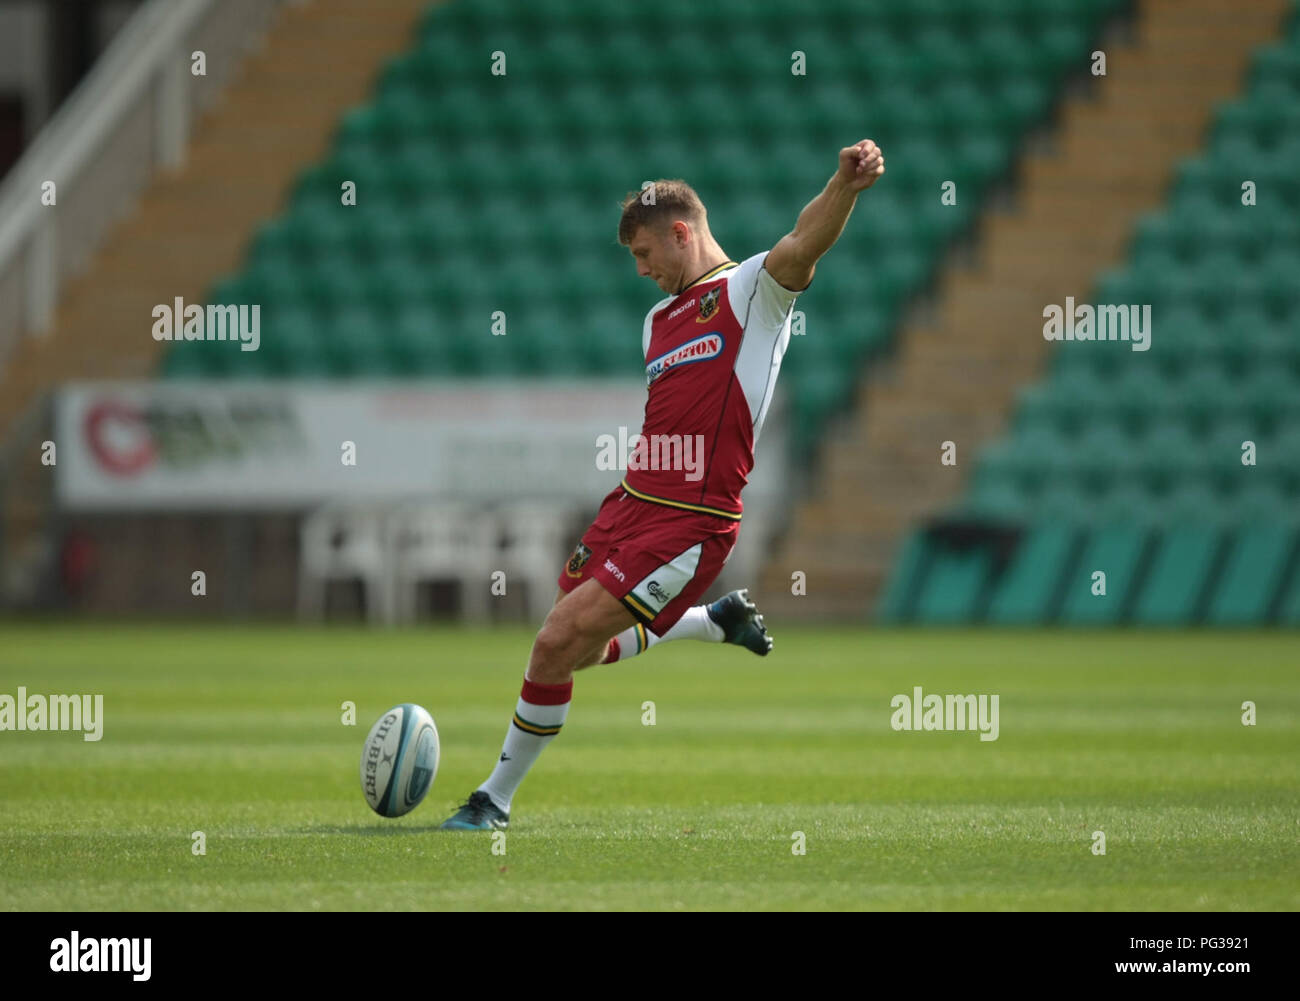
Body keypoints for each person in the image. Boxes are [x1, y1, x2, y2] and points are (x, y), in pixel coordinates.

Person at [440, 139, 886, 830]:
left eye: (646, 254)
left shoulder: (753, 292)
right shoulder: (655, 323)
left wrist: (844, 187)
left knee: (554, 641)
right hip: (629, 506)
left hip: (691, 520)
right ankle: (712, 621)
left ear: (682, 232)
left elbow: (803, 241)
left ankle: (492, 801)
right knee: (575, 652)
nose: (642, 270)